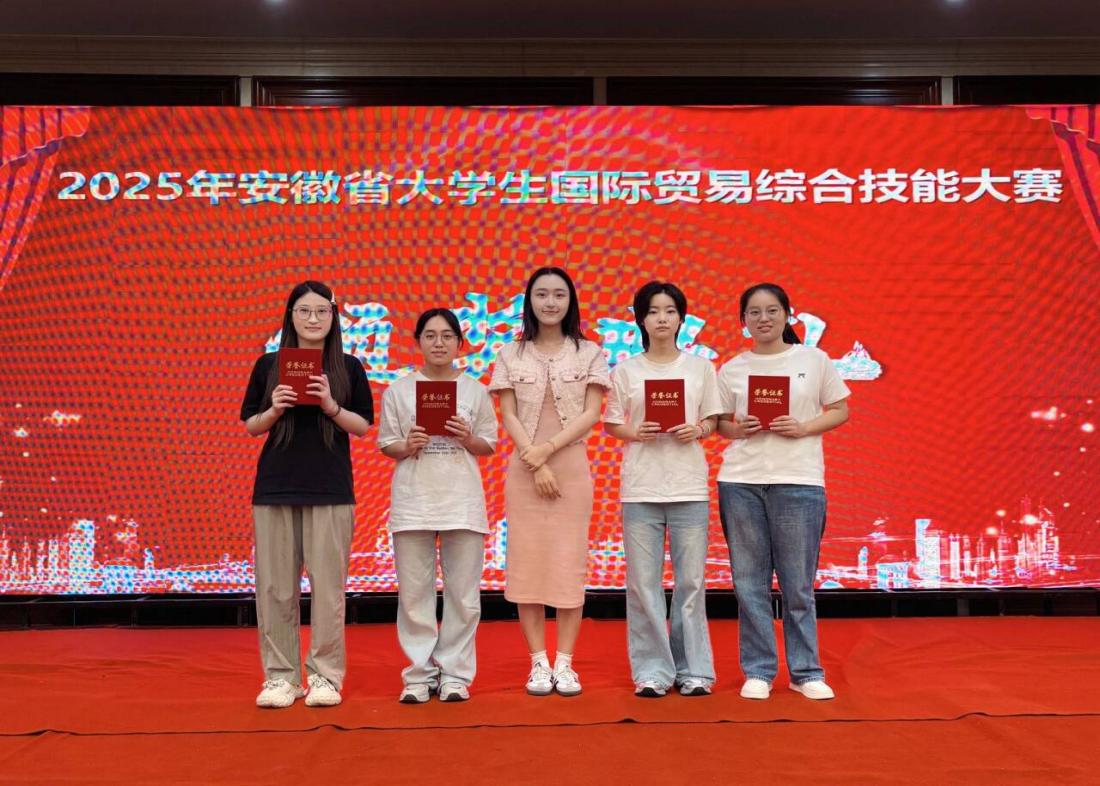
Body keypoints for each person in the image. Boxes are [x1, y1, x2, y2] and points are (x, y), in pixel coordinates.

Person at [240, 281, 373, 708]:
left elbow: (362, 425)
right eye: (304, 311)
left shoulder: (348, 366)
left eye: (322, 311)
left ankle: (325, 676)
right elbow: (251, 425)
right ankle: (280, 677)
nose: (313, 319)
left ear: (333, 318)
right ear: (290, 316)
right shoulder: (268, 366)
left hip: (331, 487)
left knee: (329, 590)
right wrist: (275, 408)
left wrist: (330, 405)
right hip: (275, 486)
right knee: (275, 589)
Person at [715, 283, 850, 701]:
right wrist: (739, 428)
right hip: (741, 482)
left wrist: (804, 427)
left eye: (772, 310)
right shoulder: (732, 368)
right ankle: (759, 670)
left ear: (788, 315)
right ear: (743, 321)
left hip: (799, 480)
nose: (764, 319)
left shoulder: (813, 359)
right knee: (749, 584)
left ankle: (806, 672)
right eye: (754, 312)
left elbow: (840, 409)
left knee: (797, 586)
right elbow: (720, 424)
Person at [488, 266, 610, 696]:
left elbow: (592, 413)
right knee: (528, 565)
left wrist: (548, 451)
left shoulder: (589, 352)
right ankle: (538, 662)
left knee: (567, 563)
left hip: (571, 468)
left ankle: (566, 663)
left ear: (570, 301)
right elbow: (507, 414)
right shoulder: (510, 354)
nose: (551, 302)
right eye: (542, 294)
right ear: (530, 301)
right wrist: (535, 461)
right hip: (525, 469)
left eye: (559, 294)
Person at [604, 281, 721, 698]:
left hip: (689, 487)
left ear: (681, 319)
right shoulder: (626, 370)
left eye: (670, 311)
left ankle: (695, 670)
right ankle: (653, 670)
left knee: (691, 583)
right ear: (640, 319)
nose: (662, 319)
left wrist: (699, 429)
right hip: (641, 489)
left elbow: (713, 419)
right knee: (642, 585)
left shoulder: (700, 367)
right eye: (653, 311)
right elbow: (612, 423)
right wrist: (635, 432)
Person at [378, 308, 497, 704]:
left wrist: (466, 437)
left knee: (464, 596)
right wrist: (407, 445)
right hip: (413, 502)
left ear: (460, 343)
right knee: (415, 595)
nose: (439, 343)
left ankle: (456, 675)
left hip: (462, 502)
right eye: (430, 335)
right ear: (418, 342)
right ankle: (418, 674)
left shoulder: (475, 390)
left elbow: (488, 445)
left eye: (447, 336)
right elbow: (387, 444)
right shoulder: (399, 390)